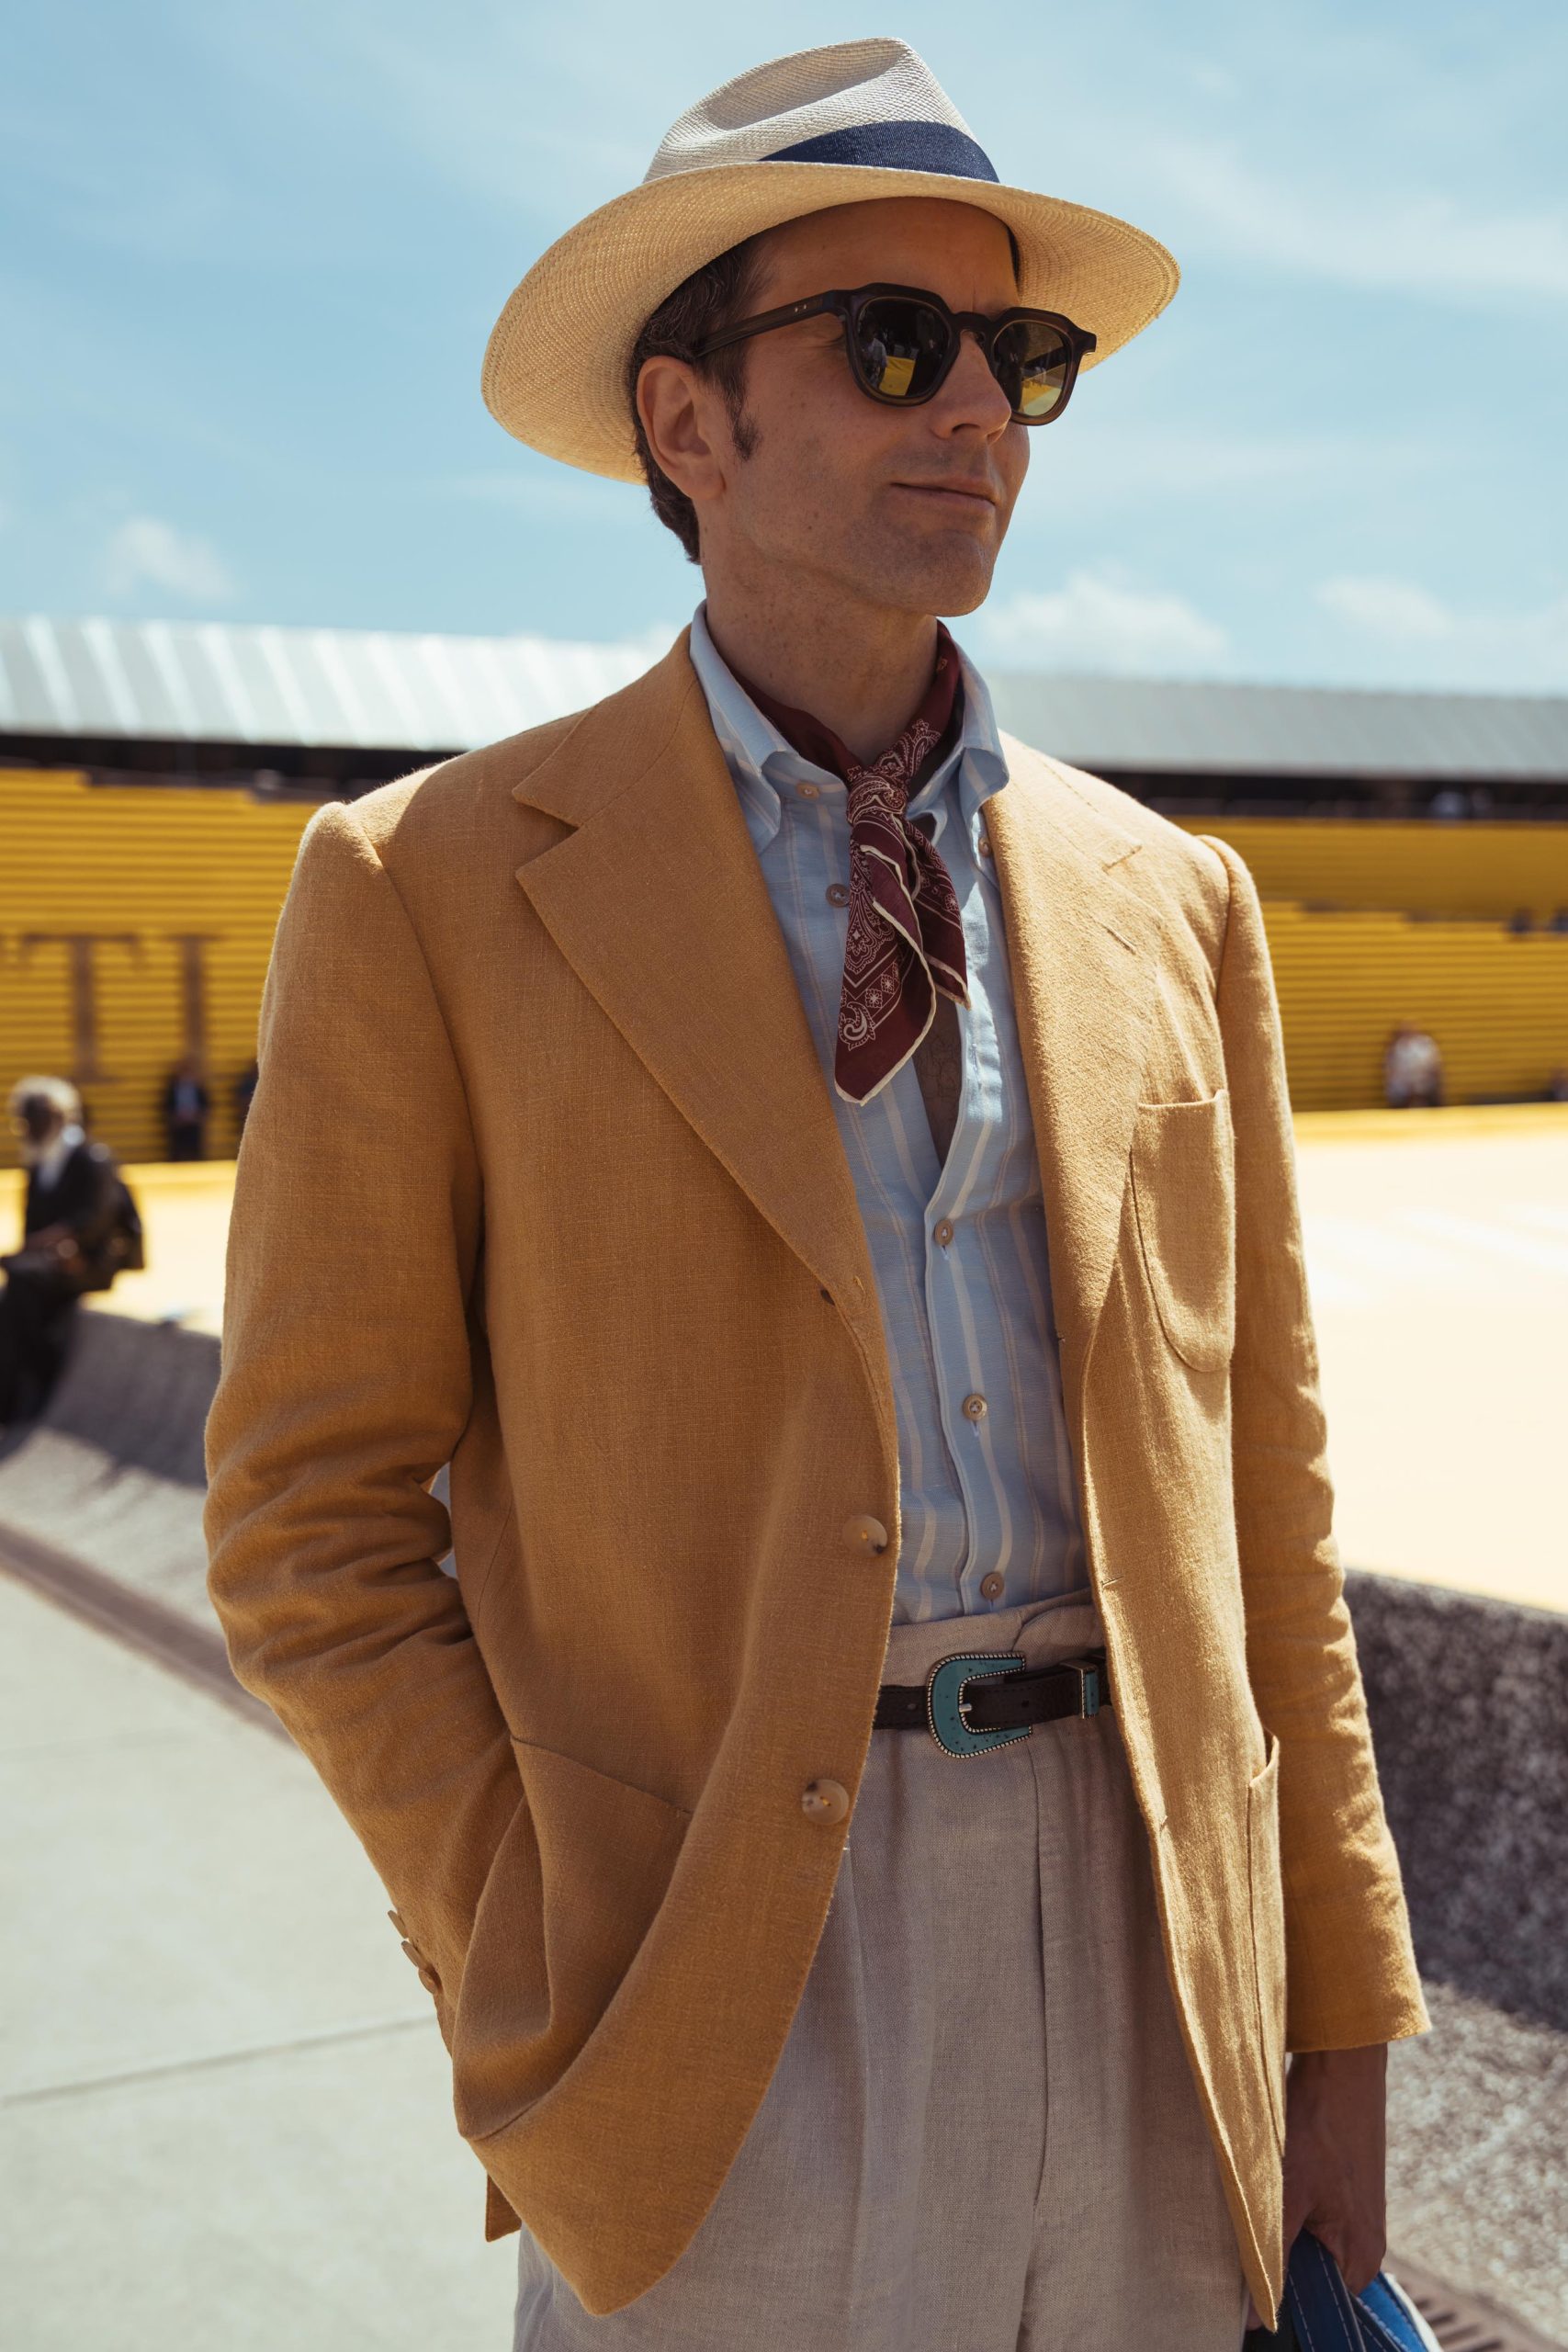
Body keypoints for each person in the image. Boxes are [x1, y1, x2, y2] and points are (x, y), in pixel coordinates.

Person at [204, 41, 1426, 2352]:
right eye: (891, 343)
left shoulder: (1173, 899)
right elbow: (307, 1517)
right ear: (687, 426)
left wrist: (1332, 2006)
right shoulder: (427, 888)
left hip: (1158, 1954)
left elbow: (1265, 1505)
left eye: (1015, 354)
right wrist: (532, 1933)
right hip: (718, 1976)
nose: (973, 406)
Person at [0, 1077, 121, 1425]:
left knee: (22, 1287)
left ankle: (31, 1389)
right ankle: (14, 1397)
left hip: (90, 1260)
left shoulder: (92, 1158)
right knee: (15, 1295)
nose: (29, 1128)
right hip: (48, 1264)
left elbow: (93, 1220)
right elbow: (30, 1223)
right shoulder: (39, 1164)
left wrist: (38, 1247)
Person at [1383, 1023, 1444, 1109]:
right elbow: (1393, 1070)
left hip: (1425, 1085)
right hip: (1403, 1088)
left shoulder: (1426, 1044)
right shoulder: (1396, 1047)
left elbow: (1434, 1064)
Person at [162, 1054, 210, 1159]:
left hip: (194, 1121)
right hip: (178, 1122)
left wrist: (197, 1116)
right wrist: (175, 1117)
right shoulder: (172, 1087)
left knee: (195, 1148)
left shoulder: (198, 1087)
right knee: (177, 1147)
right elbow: (167, 1106)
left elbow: (206, 1104)